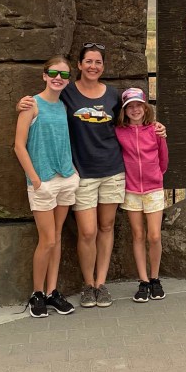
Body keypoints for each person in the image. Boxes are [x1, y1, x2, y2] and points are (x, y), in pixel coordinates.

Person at [17, 43, 165, 309]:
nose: (93, 66)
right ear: (80, 65)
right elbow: (45, 100)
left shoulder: (113, 96)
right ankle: (87, 284)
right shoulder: (67, 92)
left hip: (112, 170)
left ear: (103, 66)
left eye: (98, 62)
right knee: (87, 231)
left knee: (106, 227)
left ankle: (100, 283)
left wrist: (156, 127)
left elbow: (133, 119)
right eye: (88, 61)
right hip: (82, 172)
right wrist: (23, 103)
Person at [12, 55, 78, 318]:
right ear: (44, 75)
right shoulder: (31, 105)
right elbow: (19, 146)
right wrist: (35, 179)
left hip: (65, 178)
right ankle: (37, 293)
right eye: (53, 73)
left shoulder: (63, 106)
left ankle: (52, 292)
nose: (58, 78)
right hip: (43, 182)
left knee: (57, 237)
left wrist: (73, 172)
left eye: (64, 74)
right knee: (47, 239)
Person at [115, 87, 169, 302]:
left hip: (153, 188)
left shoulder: (155, 130)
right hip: (131, 190)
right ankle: (143, 281)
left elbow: (163, 159)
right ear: (124, 110)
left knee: (154, 236)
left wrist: (156, 176)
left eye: (139, 105)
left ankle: (155, 278)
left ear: (146, 108)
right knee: (137, 235)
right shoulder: (119, 132)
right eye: (130, 106)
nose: (135, 109)